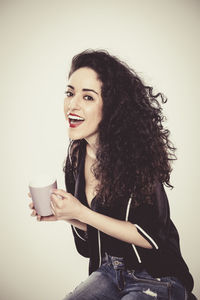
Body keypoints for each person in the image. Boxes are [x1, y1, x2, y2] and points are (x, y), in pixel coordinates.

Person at [29, 49, 195, 299]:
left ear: (112, 106)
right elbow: (90, 245)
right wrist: (66, 215)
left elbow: (151, 237)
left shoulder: (137, 157)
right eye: (70, 93)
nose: (72, 105)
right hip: (108, 271)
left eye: (88, 97)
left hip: (159, 276)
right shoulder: (75, 160)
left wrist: (81, 212)